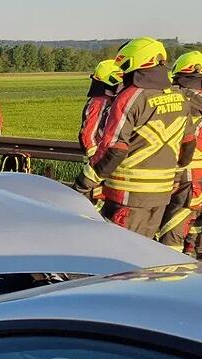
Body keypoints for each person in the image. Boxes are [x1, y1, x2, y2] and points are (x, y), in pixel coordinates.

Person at [90, 37, 196, 238]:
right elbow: (188, 146)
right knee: (146, 254)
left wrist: (85, 182)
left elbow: (114, 150)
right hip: (161, 195)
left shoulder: (129, 98)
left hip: (127, 195)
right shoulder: (179, 97)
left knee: (120, 254)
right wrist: (173, 177)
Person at [162, 51, 202, 255]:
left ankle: (171, 272)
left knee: (173, 227)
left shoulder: (179, 99)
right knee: (194, 225)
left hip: (186, 173)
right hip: (198, 178)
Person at [73, 60, 124, 204]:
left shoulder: (115, 101)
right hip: (99, 163)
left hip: (109, 161)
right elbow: (87, 134)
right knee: (96, 201)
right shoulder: (99, 102)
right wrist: (96, 159)